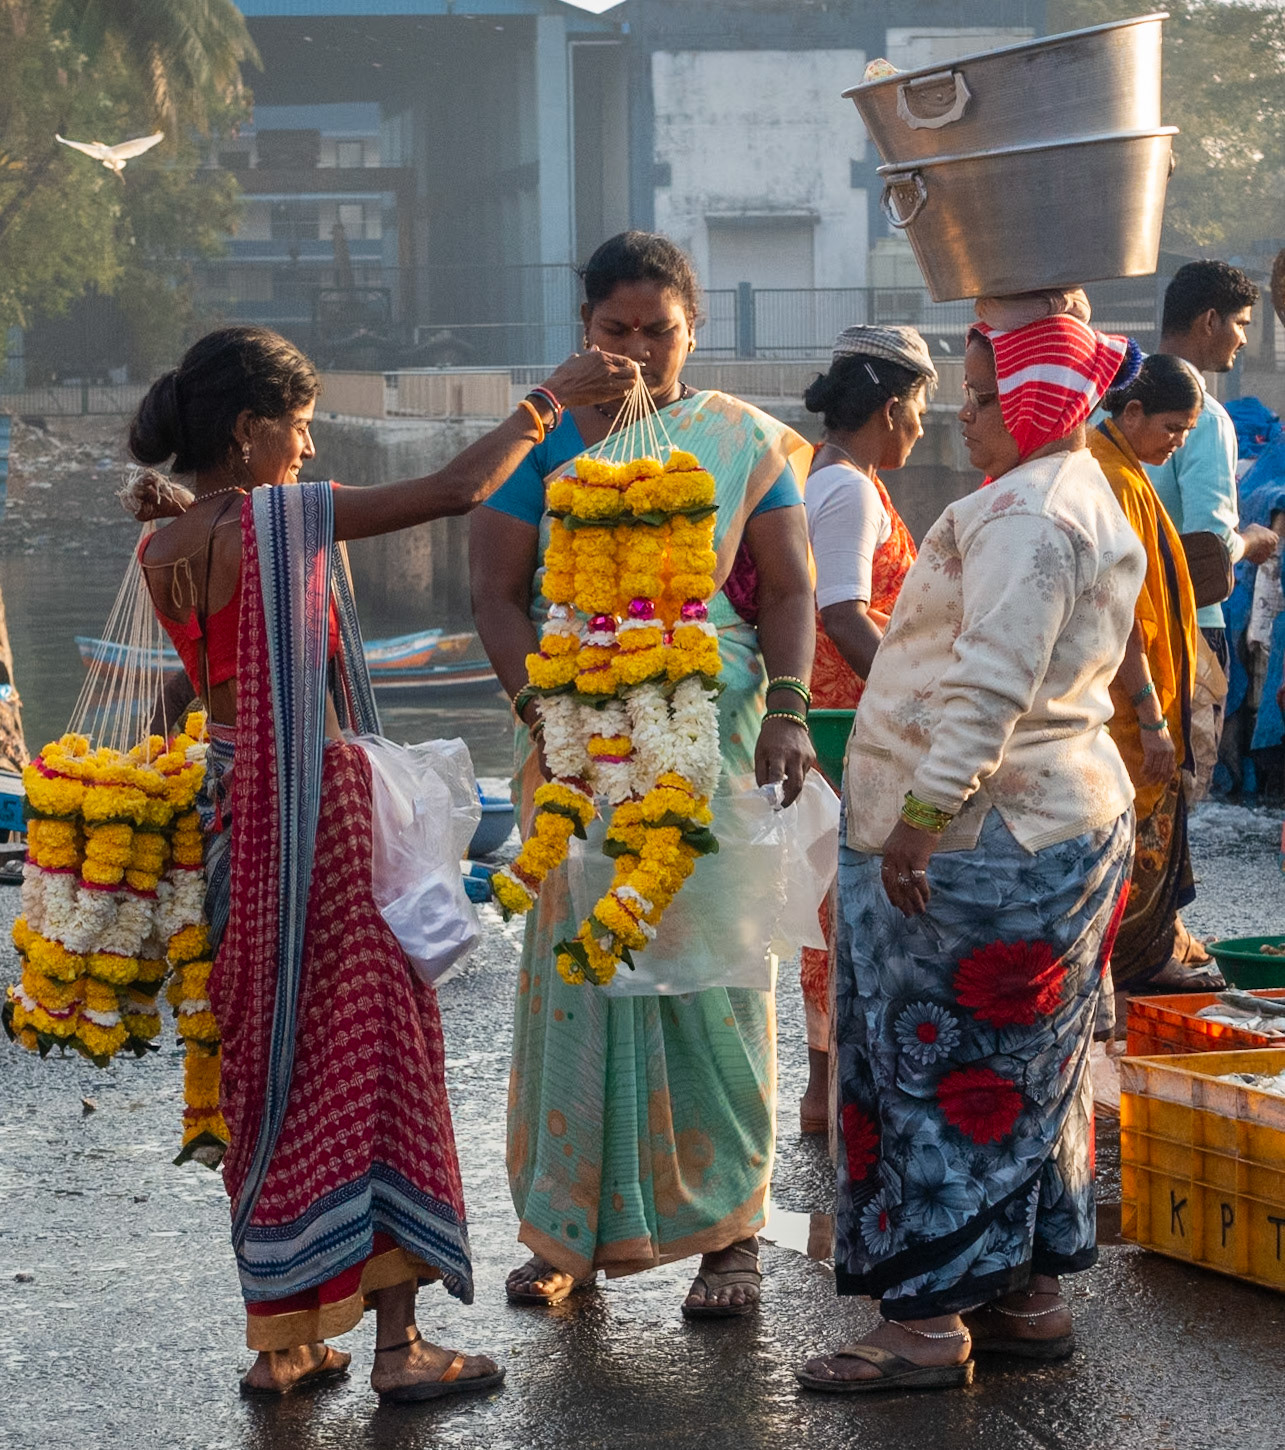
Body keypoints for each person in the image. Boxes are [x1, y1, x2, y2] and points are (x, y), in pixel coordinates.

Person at [128, 324, 636, 1401]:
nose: (308, 451)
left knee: (272, 1069)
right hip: (317, 823)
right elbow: (458, 488)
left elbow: (185, 691)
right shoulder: (283, 523)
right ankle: (400, 1349)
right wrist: (546, 401)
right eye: (300, 429)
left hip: (227, 826)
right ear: (249, 429)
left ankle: (285, 1343)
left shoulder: (160, 549)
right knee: (378, 1056)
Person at [469, 231, 816, 1318]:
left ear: (691, 331)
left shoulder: (740, 439)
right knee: (579, 973)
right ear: (584, 330)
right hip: (574, 739)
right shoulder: (537, 443)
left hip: (703, 731)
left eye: (656, 332)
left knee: (716, 972)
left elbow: (792, 587)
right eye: (614, 330)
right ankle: (567, 1229)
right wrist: (542, 713)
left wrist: (793, 710)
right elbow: (494, 590)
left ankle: (732, 1235)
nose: (636, 351)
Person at [798, 309, 1145, 1393]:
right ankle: (1025, 1297)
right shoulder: (1078, 491)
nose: (964, 409)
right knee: (1028, 1077)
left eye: (985, 394)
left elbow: (988, 682)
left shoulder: (1029, 514)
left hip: (984, 837)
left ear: (1039, 402)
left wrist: (920, 816)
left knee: (937, 1070)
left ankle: (926, 1323)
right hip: (1057, 818)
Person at [797, 324, 936, 1135]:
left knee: (834, 904)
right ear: (891, 407)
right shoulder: (846, 487)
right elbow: (840, 611)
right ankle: (829, 1093)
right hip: (848, 721)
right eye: (922, 407)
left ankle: (835, 1087)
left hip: (850, 719)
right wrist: (913, 707)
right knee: (838, 909)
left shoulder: (842, 477)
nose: (925, 425)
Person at [1090, 356, 1216, 992]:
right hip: (1128, 708)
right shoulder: (1111, 477)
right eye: (1173, 427)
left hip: (1142, 700)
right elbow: (1126, 615)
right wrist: (1152, 715)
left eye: (1188, 431)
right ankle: (1137, 964)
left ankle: (1149, 952)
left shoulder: (1124, 469)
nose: (1179, 442)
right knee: (1138, 831)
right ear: (1130, 412)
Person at [1145, 262, 1277, 703]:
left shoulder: (1112, 403)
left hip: (1124, 629)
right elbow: (1210, 548)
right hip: (1189, 628)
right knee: (1187, 768)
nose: (1243, 338)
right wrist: (1251, 540)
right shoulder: (1206, 416)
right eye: (1240, 323)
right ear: (1209, 321)